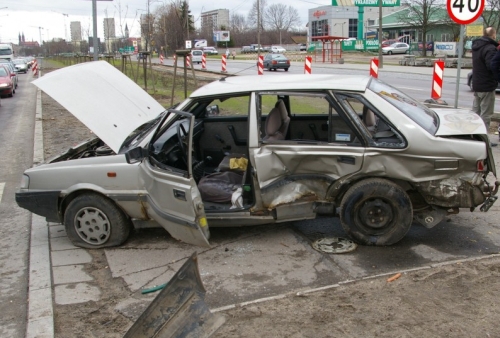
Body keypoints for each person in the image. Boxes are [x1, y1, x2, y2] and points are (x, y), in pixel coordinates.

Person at [472, 27, 498, 146]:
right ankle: (483, 140)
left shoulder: (476, 46)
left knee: (475, 113)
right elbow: (491, 65)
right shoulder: (490, 48)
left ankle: (473, 136)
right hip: (487, 85)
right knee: (486, 115)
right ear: (493, 35)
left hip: (477, 83)